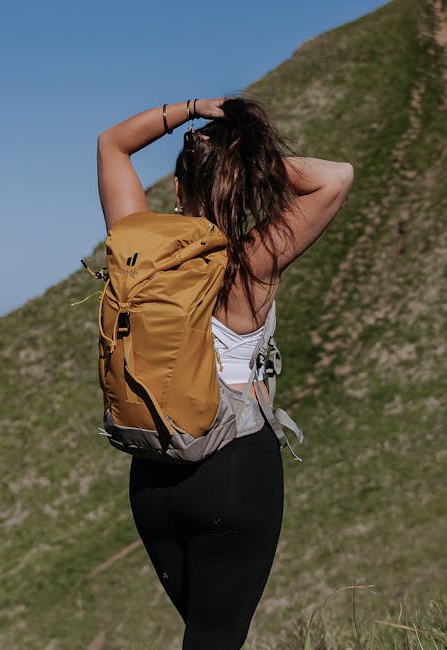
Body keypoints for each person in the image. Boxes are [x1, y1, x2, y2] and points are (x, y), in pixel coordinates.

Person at [96, 96, 354, 648]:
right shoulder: (251, 263)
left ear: (176, 192)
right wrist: (245, 156)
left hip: (154, 475)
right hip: (234, 472)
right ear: (240, 185)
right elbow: (335, 178)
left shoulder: (134, 245)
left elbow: (112, 144)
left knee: (205, 635)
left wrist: (191, 110)